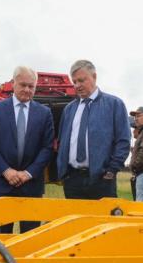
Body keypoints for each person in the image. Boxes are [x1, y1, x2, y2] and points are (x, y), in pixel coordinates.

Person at [0, 65, 54, 233]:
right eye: (23, 85)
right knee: (2, 238)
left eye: (31, 86)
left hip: (31, 186)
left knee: (30, 238)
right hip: (2, 184)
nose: (27, 90)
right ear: (13, 83)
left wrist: (28, 173)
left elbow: (47, 148)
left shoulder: (44, 113)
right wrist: (6, 171)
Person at [56, 60, 131, 199]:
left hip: (102, 181)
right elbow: (62, 141)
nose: (77, 85)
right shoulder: (69, 109)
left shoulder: (114, 104)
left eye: (81, 80)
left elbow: (123, 141)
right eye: (74, 82)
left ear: (94, 76)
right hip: (72, 180)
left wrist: (112, 170)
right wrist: (63, 172)